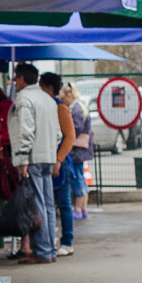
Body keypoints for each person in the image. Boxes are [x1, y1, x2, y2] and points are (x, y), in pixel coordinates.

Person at [9, 62, 60, 263]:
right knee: (47, 203)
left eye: (16, 78)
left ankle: (43, 250)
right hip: (48, 155)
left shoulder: (24, 99)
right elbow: (57, 133)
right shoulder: (48, 99)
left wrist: (23, 159)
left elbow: (25, 131)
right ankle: (50, 248)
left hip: (33, 158)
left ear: (21, 79)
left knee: (37, 204)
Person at [39, 73, 76, 257]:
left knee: (63, 203)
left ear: (49, 88)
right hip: (51, 161)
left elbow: (70, 136)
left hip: (60, 163)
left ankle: (67, 241)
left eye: (42, 86)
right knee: (49, 203)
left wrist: (59, 160)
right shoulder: (48, 106)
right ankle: (52, 239)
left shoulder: (60, 108)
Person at [60, 82, 93, 220]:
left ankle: (78, 208)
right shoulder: (80, 106)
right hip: (81, 149)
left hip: (76, 150)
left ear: (69, 95)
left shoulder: (76, 109)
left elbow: (76, 128)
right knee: (80, 178)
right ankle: (82, 208)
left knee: (77, 179)